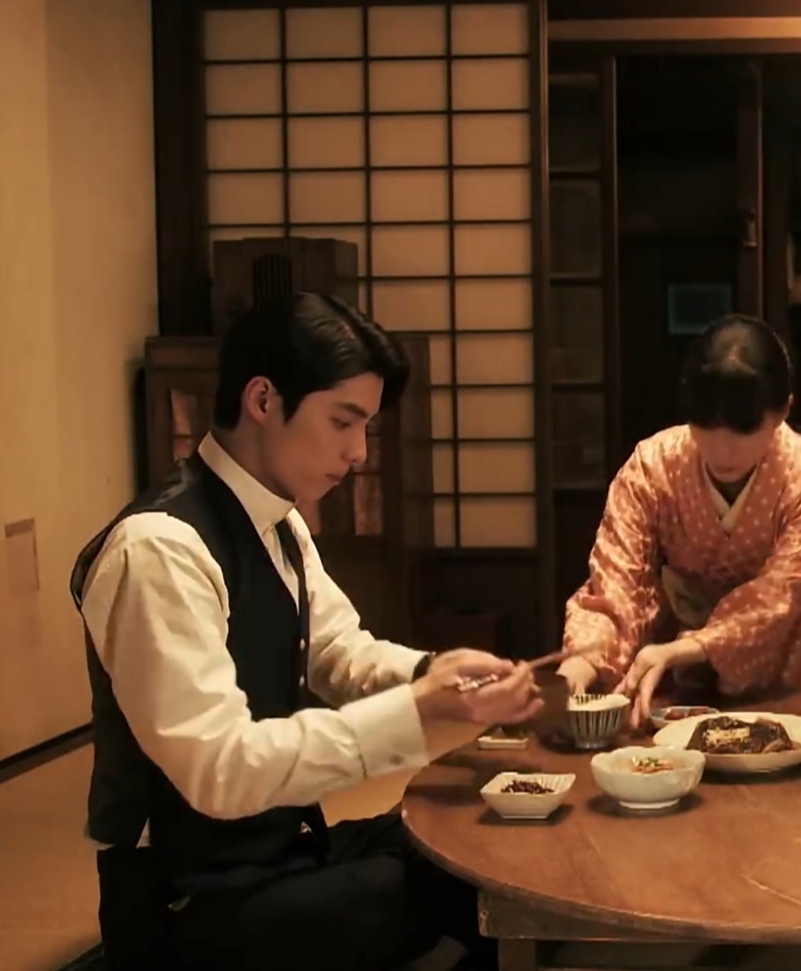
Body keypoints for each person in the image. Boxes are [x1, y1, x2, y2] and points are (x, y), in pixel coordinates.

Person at [71, 292, 542, 971]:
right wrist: (417, 711)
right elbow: (218, 770)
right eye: (342, 422)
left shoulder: (280, 521)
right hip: (190, 897)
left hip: (280, 850)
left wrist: (432, 673)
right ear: (263, 400)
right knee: (450, 892)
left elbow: (338, 651)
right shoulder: (158, 549)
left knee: (474, 845)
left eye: (365, 427)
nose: (357, 452)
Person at [558, 314, 801, 726]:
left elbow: (780, 597)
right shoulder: (652, 467)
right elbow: (618, 582)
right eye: (705, 425)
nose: (722, 450)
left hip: (790, 665)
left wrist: (690, 647)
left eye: (745, 430)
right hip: (673, 675)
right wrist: (584, 660)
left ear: (784, 409)